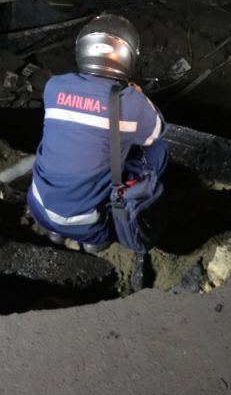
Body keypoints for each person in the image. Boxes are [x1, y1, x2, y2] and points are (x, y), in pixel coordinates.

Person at [27, 14, 168, 253]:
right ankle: (95, 245)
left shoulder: (54, 86)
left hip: (38, 205)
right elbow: (157, 131)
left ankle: (55, 233)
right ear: (129, 56)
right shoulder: (132, 102)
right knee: (160, 149)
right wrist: (138, 94)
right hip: (87, 226)